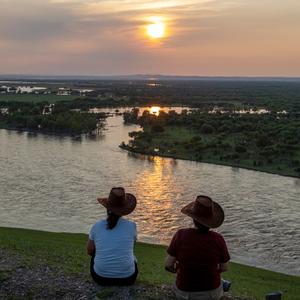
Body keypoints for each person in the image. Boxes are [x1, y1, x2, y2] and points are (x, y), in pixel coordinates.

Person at [165, 195, 230, 300]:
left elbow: (168, 265)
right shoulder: (218, 239)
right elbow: (225, 267)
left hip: (185, 292)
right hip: (211, 292)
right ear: (211, 221)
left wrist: (179, 270)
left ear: (193, 218)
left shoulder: (181, 235)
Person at [87, 187, 138, 286]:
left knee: (95, 252)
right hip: (128, 279)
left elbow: (89, 251)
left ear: (107, 207)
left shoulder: (97, 226)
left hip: (100, 278)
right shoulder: (132, 226)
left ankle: (105, 268)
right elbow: (132, 248)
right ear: (124, 210)